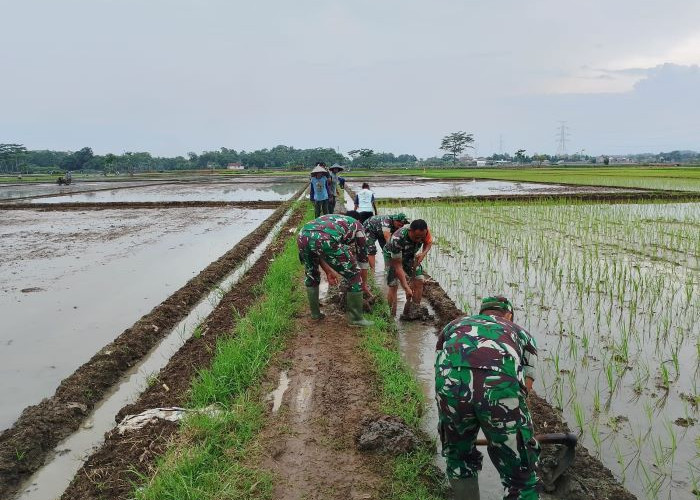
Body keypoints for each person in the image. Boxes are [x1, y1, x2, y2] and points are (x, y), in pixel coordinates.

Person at [434, 296, 539, 500]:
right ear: (509, 315)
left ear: (481, 313)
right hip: (500, 390)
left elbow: (441, 364)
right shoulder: (520, 333)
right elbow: (526, 385)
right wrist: (513, 431)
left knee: (459, 459)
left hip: (450, 387)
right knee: (521, 473)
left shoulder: (453, 326)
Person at [297, 214, 374, 327]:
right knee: (355, 274)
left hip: (303, 235)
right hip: (326, 238)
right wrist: (363, 285)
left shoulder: (332, 219)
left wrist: (328, 271)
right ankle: (356, 319)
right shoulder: (359, 228)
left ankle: (315, 314)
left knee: (311, 274)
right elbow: (363, 261)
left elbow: (317, 250)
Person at [383, 219, 432, 316]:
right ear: (410, 231)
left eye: (421, 237)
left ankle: (413, 311)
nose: (419, 240)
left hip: (409, 255)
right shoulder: (397, 239)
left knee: (419, 280)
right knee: (393, 285)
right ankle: (390, 316)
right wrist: (406, 287)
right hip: (392, 257)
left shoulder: (424, 232)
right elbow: (398, 266)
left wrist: (423, 253)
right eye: (417, 237)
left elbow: (428, 243)